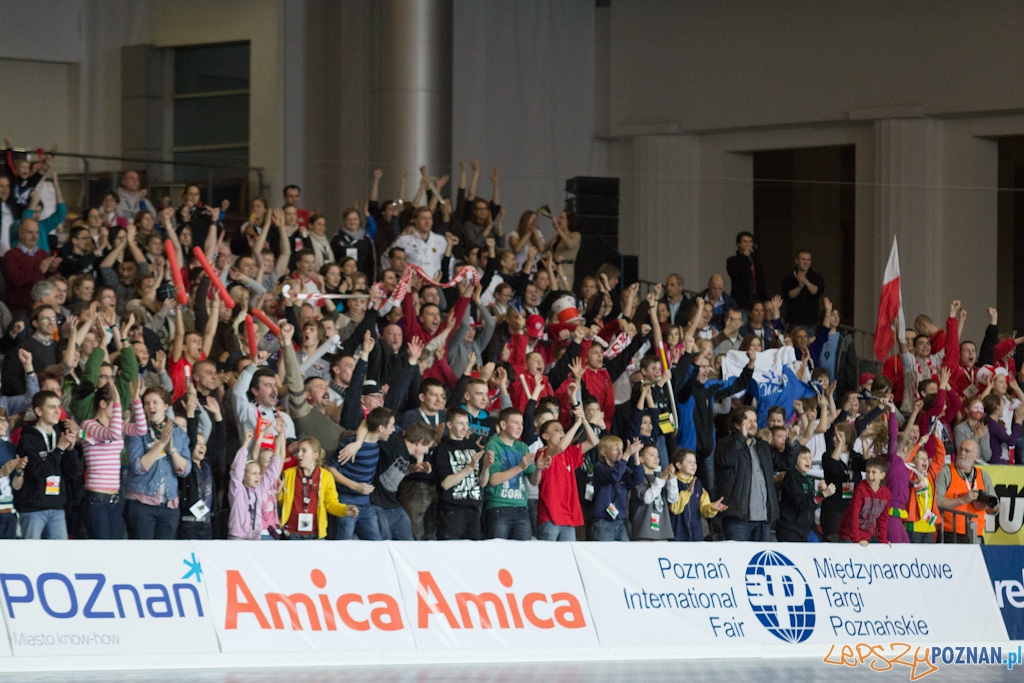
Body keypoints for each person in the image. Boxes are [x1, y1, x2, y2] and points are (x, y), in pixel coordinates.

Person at [79, 381, 147, 539]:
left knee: (114, 549)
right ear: (102, 404)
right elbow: (114, 434)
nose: (119, 409)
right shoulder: (88, 425)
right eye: (115, 405)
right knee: (101, 550)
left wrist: (136, 399)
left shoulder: (116, 425)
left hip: (116, 497)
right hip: (97, 498)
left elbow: (141, 429)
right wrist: (117, 401)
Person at [124, 387, 192, 539]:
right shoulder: (136, 431)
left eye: (155, 402)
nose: (150, 407)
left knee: (164, 555)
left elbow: (185, 470)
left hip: (169, 504)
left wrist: (172, 450)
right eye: (147, 403)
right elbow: (138, 467)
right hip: (141, 502)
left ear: (166, 406)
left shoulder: (178, 432)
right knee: (143, 554)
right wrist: (161, 444)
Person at [13, 391, 80, 539]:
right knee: (31, 557)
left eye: (58, 407)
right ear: (38, 411)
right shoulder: (27, 440)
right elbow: (38, 472)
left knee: (59, 559)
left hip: (57, 507)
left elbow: (74, 473)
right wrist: (59, 449)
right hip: (32, 508)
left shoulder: (61, 436)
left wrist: (70, 450)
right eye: (51, 407)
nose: (57, 411)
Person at [328, 407, 396, 540]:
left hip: (366, 504)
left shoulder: (378, 443)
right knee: (343, 547)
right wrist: (354, 486)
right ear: (381, 428)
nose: (394, 429)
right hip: (346, 503)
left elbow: (366, 421)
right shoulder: (350, 445)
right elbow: (329, 468)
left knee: (375, 545)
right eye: (392, 426)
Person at [714, 406, 781, 541]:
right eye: (748, 420)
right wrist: (741, 438)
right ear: (737, 424)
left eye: (755, 420)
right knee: (738, 561)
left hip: (764, 518)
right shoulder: (725, 443)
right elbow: (726, 460)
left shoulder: (763, 446)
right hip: (738, 519)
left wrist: (792, 443)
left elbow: (784, 463)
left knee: (761, 562)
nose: (753, 424)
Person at [535, 404, 599, 541]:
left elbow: (594, 441)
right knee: (548, 558)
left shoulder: (569, 453)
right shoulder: (543, 452)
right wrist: (576, 424)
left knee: (567, 558)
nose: (561, 432)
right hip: (549, 516)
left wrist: (584, 421)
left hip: (568, 516)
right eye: (556, 430)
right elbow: (559, 447)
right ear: (545, 436)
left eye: (562, 430)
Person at [279, 436, 357, 540]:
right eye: (298, 451)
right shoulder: (288, 474)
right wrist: (277, 493)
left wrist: (344, 510)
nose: (299, 454)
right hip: (291, 532)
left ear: (315, 455)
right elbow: (281, 502)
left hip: (316, 533)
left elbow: (331, 504)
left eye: (304, 451)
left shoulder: (326, 476)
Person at [370, 421, 436, 540]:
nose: (426, 452)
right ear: (420, 442)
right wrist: (356, 443)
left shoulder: (408, 454)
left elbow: (394, 471)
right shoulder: (394, 443)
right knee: (385, 545)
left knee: (408, 543)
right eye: (427, 447)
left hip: (393, 505)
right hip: (377, 504)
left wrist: (412, 469)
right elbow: (372, 433)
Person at [434, 408, 493, 540]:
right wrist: (470, 467)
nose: (465, 427)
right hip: (451, 511)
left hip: (473, 510)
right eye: (460, 423)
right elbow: (445, 483)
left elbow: (482, 483)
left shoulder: (473, 447)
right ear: (449, 425)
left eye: (466, 423)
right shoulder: (443, 449)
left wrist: (486, 468)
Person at [483, 407, 539, 540]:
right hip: (499, 507)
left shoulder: (523, 447)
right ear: (503, 425)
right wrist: (520, 467)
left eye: (522, 423)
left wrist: (539, 468)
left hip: (521, 507)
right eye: (515, 423)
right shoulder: (493, 445)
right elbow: (493, 480)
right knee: (498, 553)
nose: (520, 427)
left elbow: (534, 481)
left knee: (523, 553)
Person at [936, 438, 998, 543]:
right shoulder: (946, 472)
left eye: (967, 451)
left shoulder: (983, 475)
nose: (962, 453)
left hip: (976, 535)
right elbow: (937, 502)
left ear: (976, 456)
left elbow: (995, 510)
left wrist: (987, 506)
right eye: (960, 449)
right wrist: (963, 499)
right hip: (949, 534)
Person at [228, 425, 283, 540]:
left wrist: (277, 446)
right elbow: (237, 469)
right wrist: (245, 444)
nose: (258, 476)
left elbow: (272, 471)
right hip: (238, 535)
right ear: (244, 476)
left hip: (254, 536)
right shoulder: (237, 489)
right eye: (254, 474)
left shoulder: (259, 489)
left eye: (258, 473)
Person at [776, 446, 836, 542]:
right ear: (795, 459)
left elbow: (811, 505)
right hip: (791, 531)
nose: (808, 461)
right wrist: (823, 494)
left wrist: (821, 493)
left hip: (805, 529)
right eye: (804, 458)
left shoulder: (807, 479)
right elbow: (802, 505)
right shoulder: (791, 478)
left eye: (810, 458)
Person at [590, 436, 644, 541]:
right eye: (615, 449)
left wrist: (635, 456)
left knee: (624, 555)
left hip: (620, 520)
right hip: (603, 521)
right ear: (603, 453)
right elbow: (614, 476)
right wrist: (626, 455)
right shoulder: (599, 467)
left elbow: (637, 480)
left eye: (622, 449)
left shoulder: (623, 468)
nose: (620, 452)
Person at [668, 448, 724, 541]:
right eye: (689, 462)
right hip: (677, 534)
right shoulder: (672, 482)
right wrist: (687, 493)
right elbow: (675, 509)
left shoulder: (697, 483)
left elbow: (704, 508)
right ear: (679, 465)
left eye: (695, 462)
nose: (693, 465)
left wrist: (712, 508)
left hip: (696, 535)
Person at [630, 444, 679, 541]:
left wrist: (672, 478)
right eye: (652, 455)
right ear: (641, 459)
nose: (656, 458)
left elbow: (673, 498)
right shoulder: (637, 478)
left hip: (663, 532)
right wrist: (663, 479)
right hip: (644, 532)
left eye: (657, 456)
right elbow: (647, 498)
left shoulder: (660, 475)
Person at [838, 457, 890, 545]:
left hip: (866, 536)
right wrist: (857, 539)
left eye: (874, 472)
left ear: (882, 475)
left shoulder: (886, 493)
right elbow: (853, 515)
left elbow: (882, 519)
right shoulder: (860, 489)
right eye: (868, 471)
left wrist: (883, 540)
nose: (870, 475)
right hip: (849, 535)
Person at [780, 250, 824, 330]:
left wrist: (806, 282)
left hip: (811, 323)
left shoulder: (817, 278)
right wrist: (799, 287)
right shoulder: (788, 278)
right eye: (803, 259)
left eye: (808, 260)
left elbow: (817, 292)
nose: (806, 262)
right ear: (797, 261)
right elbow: (787, 296)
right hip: (793, 322)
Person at [726, 231, 767, 311]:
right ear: (738, 244)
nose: (748, 244)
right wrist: (743, 256)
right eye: (745, 242)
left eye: (750, 242)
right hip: (741, 302)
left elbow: (761, 281)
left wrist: (765, 299)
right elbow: (735, 274)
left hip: (756, 301)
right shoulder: (732, 261)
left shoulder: (756, 261)